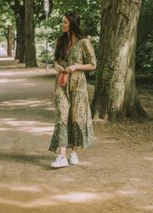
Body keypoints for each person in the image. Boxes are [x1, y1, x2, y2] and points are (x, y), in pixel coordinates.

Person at [49, 12, 97, 168]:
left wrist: (76, 66)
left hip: (78, 84)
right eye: (62, 22)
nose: (62, 25)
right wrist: (57, 66)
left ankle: (74, 153)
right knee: (62, 117)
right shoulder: (61, 41)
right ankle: (61, 156)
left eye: (65, 22)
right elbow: (55, 58)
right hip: (61, 83)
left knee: (76, 119)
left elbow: (92, 64)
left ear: (73, 24)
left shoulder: (84, 42)